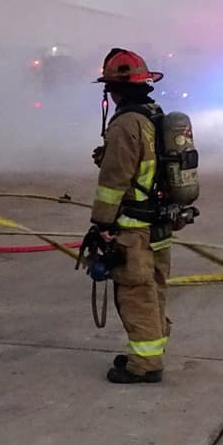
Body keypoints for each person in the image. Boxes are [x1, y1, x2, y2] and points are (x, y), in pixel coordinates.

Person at [89, 49, 172, 383]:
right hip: (159, 222)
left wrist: (102, 224)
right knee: (154, 288)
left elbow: (114, 181)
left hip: (134, 227)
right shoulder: (155, 116)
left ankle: (145, 364)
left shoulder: (126, 123)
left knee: (135, 292)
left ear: (113, 89)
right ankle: (149, 350)